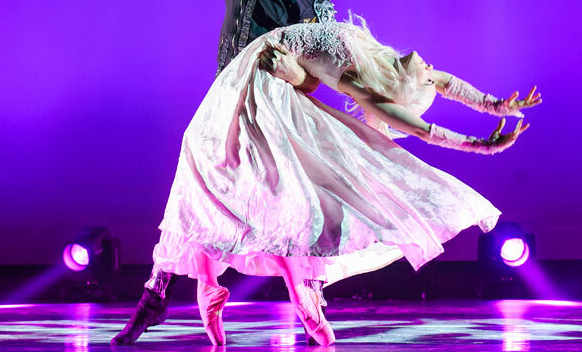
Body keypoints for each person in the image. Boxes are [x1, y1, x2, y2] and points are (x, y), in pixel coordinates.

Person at [150, 19, 541, 345]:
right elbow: (446, 83)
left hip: (263, 83)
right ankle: (215, 282)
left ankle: (234, 284)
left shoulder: (360, 81)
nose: (428, 70)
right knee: (213, 166)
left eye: (421, 81)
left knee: (240, 176)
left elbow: (422, 130)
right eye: (426, 78)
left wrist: (480, 146)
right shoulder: (381, 57)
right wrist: (495, 105)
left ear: (394, 94)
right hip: (258, 64)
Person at [71, 0, 352, 345]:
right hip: (224, 108)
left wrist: (291, 72)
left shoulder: (313, 6)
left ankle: (309, 296)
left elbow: (316, 81)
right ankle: (156, 296)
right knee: (190, 196)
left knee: (294, 208)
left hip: (275, 117)